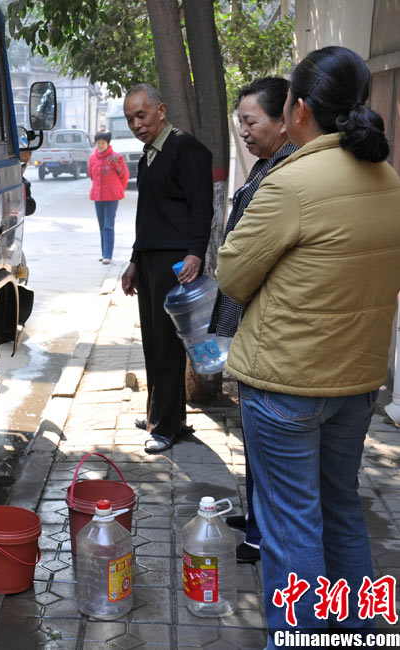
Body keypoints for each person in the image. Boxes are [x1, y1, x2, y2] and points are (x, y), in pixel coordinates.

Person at [217, 46, 400, 640]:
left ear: (298, 109)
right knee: (342, 512)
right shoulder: (388, 180)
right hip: (357, 381)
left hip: (286, 385)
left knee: (291, 525)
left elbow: (232, 276)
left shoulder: (291, 183)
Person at [209, 77, 298, 565]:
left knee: (268, 444)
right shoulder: (268, 163)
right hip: (250, 319)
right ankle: (258, 517)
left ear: (285, 121)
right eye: (239, 122)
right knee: (253, 435)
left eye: (251, 121)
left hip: (265, 324)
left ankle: (264, 535)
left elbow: (250, 260)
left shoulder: (286, 172)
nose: (243, 131)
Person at [120, 84, 213, 453]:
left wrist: (195, 253)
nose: (136, 125)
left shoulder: (186, 149)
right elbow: (147, 215)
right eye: (130, 119)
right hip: (149, 259)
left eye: (141, 116)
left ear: (161, 110)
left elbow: (202, 207)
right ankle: (161, 415)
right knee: (153, 340)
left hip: (175, 261)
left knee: (167, 343)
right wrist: (133, 260)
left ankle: (165, 427)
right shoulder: (148, 157)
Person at [88, 131, 129, 264]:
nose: (100, 145)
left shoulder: (116, 157)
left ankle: (108, 255)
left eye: (103, 143)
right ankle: (104, 253)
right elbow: (92, 175)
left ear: (108, 143)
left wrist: (119, 189)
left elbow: (124, 175)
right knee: (101, 225)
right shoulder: (92, 158)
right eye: (98, 143)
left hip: (112, 196)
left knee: (108, 226)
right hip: (98, 196)